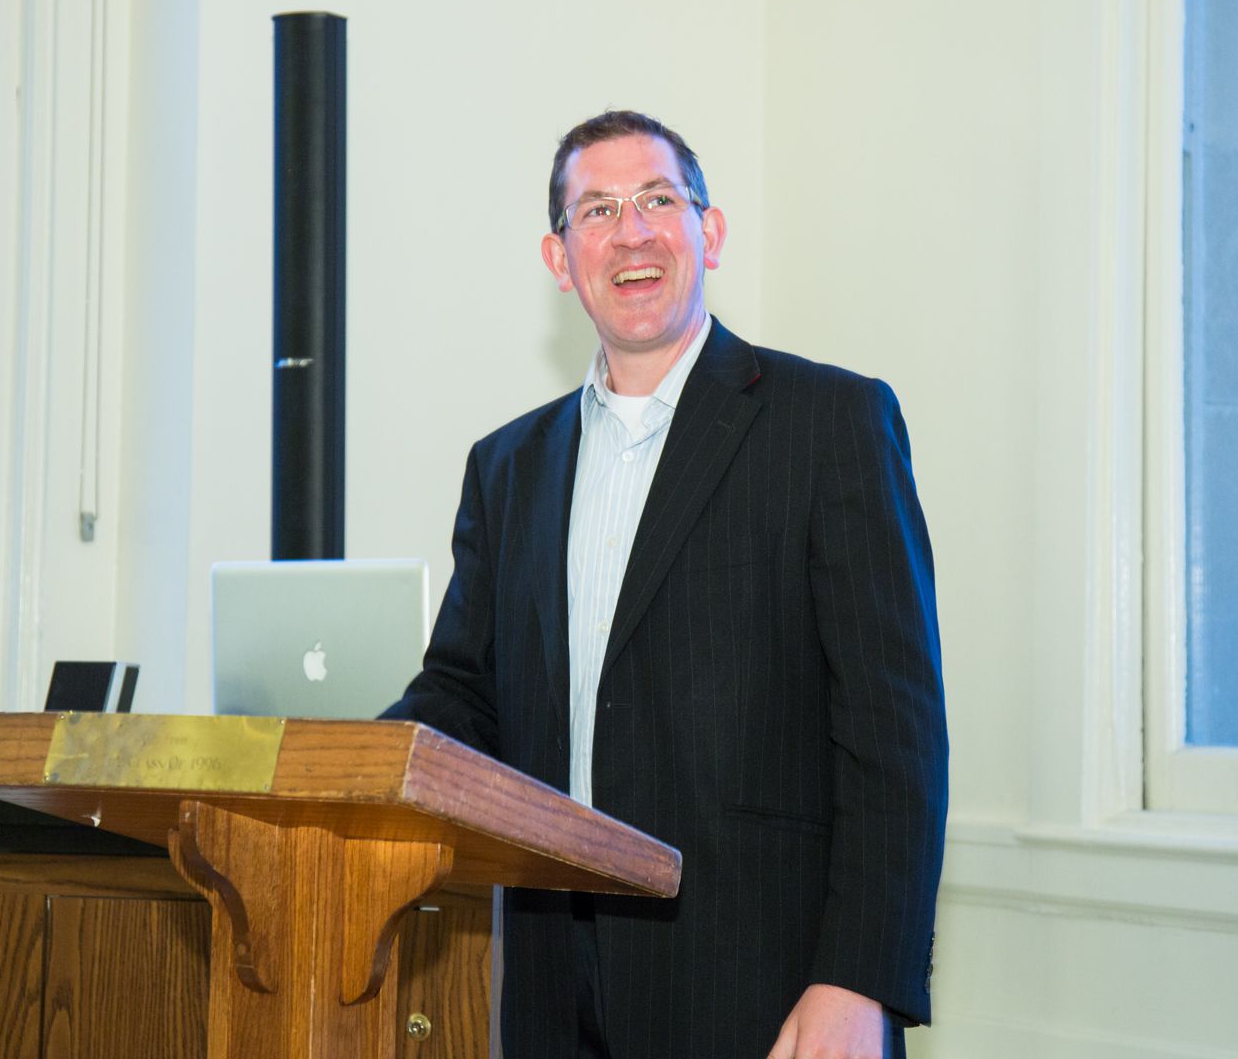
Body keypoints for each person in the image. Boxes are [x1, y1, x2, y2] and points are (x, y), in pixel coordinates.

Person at [383, 110, 947, 1058]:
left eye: (657, 200)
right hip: (548, 989)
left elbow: (894, 735)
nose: (632, 231)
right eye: (596, 209)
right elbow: (464, 695)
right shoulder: (507, 466)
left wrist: (859, 979)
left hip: (767, 985)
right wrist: (347, 769)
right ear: (560, 259)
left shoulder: (831, 424)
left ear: (708, 232)